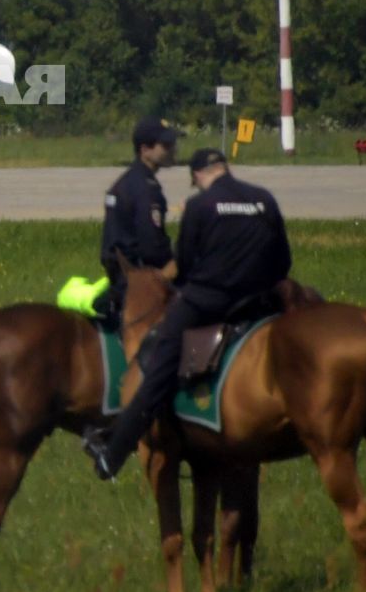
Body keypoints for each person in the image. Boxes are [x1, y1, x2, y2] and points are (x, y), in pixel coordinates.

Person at [84, 147, 292, 480]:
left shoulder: (200, 205)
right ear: (226, 167)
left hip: (210, 302)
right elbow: (283, 261)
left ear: (196, 176)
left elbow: (185, 267)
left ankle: (114, 452)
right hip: (259, 300)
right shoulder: (264, 199)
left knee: (158, 361)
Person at [98, 117, 179, 318]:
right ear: (145, 150)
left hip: (121, 276)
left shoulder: (127, 181)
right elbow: (152, 246)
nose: (173, 149)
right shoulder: (145, 190)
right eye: (166, 145)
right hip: (141, 278)